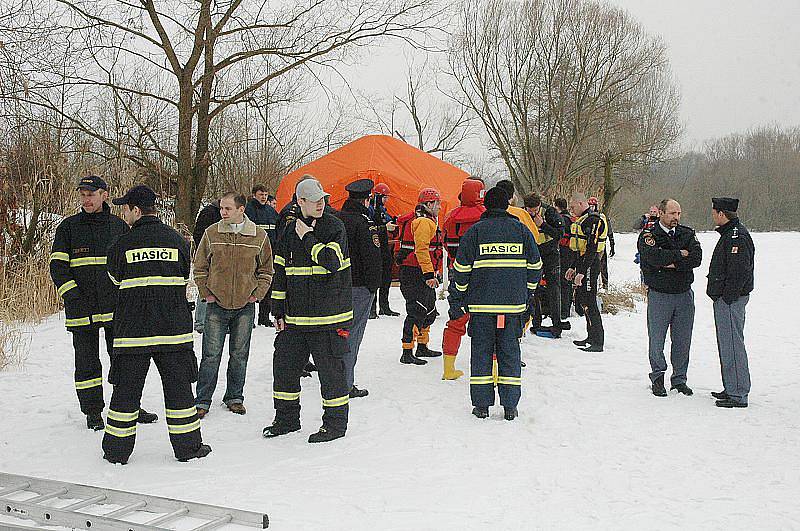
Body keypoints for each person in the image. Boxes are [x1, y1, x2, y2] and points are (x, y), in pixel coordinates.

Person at [102, 185, 210, 464]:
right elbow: (183, 276)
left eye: (125, 208)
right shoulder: (177, 242)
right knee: (179, 393)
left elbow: (114, 281)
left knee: (125, 395)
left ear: (136, 211)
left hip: (132, 334)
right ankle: (188, 448)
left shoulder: (121, 245)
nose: (123, 213)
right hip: (173, 332)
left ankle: (116, 452)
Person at [49, 176, 158, 431]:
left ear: (104, 195)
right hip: (81, 309)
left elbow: (130, 266)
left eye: (91, 194)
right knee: (86, 363)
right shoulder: (68, 228)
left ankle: (128, 406)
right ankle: (93, 412)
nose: (86, 199)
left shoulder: (119, 227)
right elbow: (58, 267)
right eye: (83, 194)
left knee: (123, 360)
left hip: (115, 309)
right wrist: (72, 295)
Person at [264, 177, 353, 443]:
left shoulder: (334, 226)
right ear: (300, 201)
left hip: (329, 319)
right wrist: (277, 309)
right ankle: (287, 419)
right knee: (284, 369)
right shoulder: (288, 231)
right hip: (295, 319)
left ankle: (335, 425)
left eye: (323, 199)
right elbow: (280, 272)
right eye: (315, 201)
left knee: (331, 374)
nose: (321, 204)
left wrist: (308, 237)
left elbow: (330, 262)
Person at [448, 187, 542, 420]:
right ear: (507, 205)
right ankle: (510, 406)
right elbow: (535, 268)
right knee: (509, 354)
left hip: (481, 309)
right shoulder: (522, 230)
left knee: (481, 354)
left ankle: (481, 406)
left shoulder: (475, 232)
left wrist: (457, 299)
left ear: (486, 206)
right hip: (512, 309)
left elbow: (460, 271)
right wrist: (527, 296)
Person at [193, 192, 273, 418]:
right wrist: (205, 292)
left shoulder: (258, 236)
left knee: (239, 354)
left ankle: (235, 396)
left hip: (244, 306)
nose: (223, 213)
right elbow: (199, 267)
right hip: (216, 304)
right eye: (221, 209)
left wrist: (256, 294)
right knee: (210, 355)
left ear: (241, 209)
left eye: (228, 209)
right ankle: (202, 400)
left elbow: (266, 270)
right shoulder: (212, 233)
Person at [638, 199, 702, 397]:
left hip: (684, 295)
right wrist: (678, 255)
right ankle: (657, 376)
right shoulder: (649, 235)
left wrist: (671, 261)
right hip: (660, 295)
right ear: (662, 214)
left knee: (682, 340)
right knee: (657, 340)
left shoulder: (687, 234)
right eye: (672, 213)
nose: (676, 217)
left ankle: (680, 379)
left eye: (679, 213)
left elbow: (696, 259)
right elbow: (651, 258)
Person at [336, 178, 382, 398]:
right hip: (359, 286)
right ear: (367, 199)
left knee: (335, 333)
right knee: (351, 334)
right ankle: (344, 383)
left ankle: (334, 378)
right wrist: (374, 286)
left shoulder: (336, 218)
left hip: (336, 285)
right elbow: (372, 258)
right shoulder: (364, 223)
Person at [708, 197, 755, 408]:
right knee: (727, 345)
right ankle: (732, 386)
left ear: (721, 214)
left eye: (714, 211)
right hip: (727, 299)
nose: (712, 215)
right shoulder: (730, 233)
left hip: (731, 301)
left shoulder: (737, 236)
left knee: (733, 346)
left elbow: (740, 271)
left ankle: (738, 394)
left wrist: (727, 297)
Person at [440, 177, 485, 380]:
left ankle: (448, 369)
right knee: (488, 323)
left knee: (456, 321)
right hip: (483, 277)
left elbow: (444, 242)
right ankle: (491, 370)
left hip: (458, 274)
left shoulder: (450, 218)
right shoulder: (485, 217)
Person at [396, 187, 445, 365]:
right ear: (429, 204)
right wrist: (429, 274)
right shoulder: (424, 222)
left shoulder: (429, 221)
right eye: (437, 203)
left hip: (421, 272)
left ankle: (422, 346)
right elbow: (421, 250)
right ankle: (407, 351)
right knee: (416, 311)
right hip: (415, 273)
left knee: (429, 310)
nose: (440, 207)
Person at [566, 193, 608, 352]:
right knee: (584, 301)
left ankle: (598, 341)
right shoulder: (582, 220)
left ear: (580, 203)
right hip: (583, 262)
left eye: (572, 206)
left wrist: (582, 272)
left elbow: (591, 249)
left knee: (590, 301)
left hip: (591, 264)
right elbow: (579, 249)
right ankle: (591, 336)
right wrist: (572, 267)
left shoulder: (593, 220)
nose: (571, 210)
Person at [523, 192, 567, 336]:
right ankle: (536, 322)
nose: (532, 213)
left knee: (554, 288)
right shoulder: (522, 213)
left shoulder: (550, 212)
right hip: (532, 254)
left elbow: (560, 234)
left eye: (535, 210)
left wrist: (543, 225)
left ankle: (556, 323)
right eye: (530, 210)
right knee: (532, 288)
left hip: (550, 253)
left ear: (540, 206)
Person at [245, 184, 279, 327]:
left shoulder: (271, 211)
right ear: (254, 195)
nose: (264, 197)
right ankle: (248, 318)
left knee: (268, 284)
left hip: (269, 252)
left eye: (265, 195)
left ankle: (264, 317)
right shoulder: (248, 210)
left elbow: (276, 231)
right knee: (250, 284)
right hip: (252, 252)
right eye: (261, 194)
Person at [369, 183, 399, 318]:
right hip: (374, 246)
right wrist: (384, 226)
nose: (386, 200)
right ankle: (372, 309)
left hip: (384, 245)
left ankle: (384, 307)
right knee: (376, 277)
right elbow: (370, 226)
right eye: (385, 197)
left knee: (386, 276)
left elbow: (387, 219)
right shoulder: (370, 209)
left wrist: (395, 221)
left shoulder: (382, 209)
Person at [192, 199, 221, 333]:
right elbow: (198, 234)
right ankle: (200, 321)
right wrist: (204, 251)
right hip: (208, 254)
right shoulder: (209, 213)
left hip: (222, 256)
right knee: (204, 285)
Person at [555, 197, 575, 320]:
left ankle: (563, 310)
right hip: (571, 253)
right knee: (567, 282)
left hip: (563, 253)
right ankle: (566, 308)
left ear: (557, 207)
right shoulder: (572, 219)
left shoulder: (561, 219)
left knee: (563, 282)